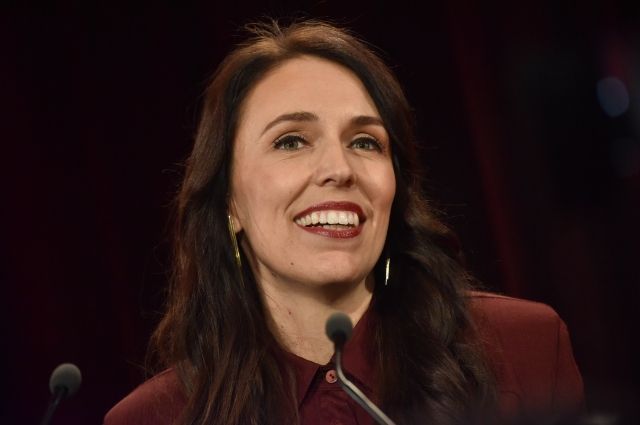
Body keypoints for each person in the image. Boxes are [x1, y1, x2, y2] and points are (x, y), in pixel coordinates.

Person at [104, 19, 584, 425]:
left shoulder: (525, 347)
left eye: (365, 142)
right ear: (229, 201)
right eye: (291, 141)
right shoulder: (152, 418)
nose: (339, 169)